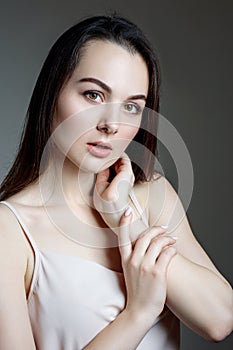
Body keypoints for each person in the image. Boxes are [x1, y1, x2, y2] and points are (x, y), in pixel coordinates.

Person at [0, 15, 232, 350]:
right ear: (53, 91)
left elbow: (220, 320)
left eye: (132, 107)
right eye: (93, 95)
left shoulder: (150, 196)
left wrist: (125, 217)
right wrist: (139, 313)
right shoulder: (10, 230)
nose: (111, 124)